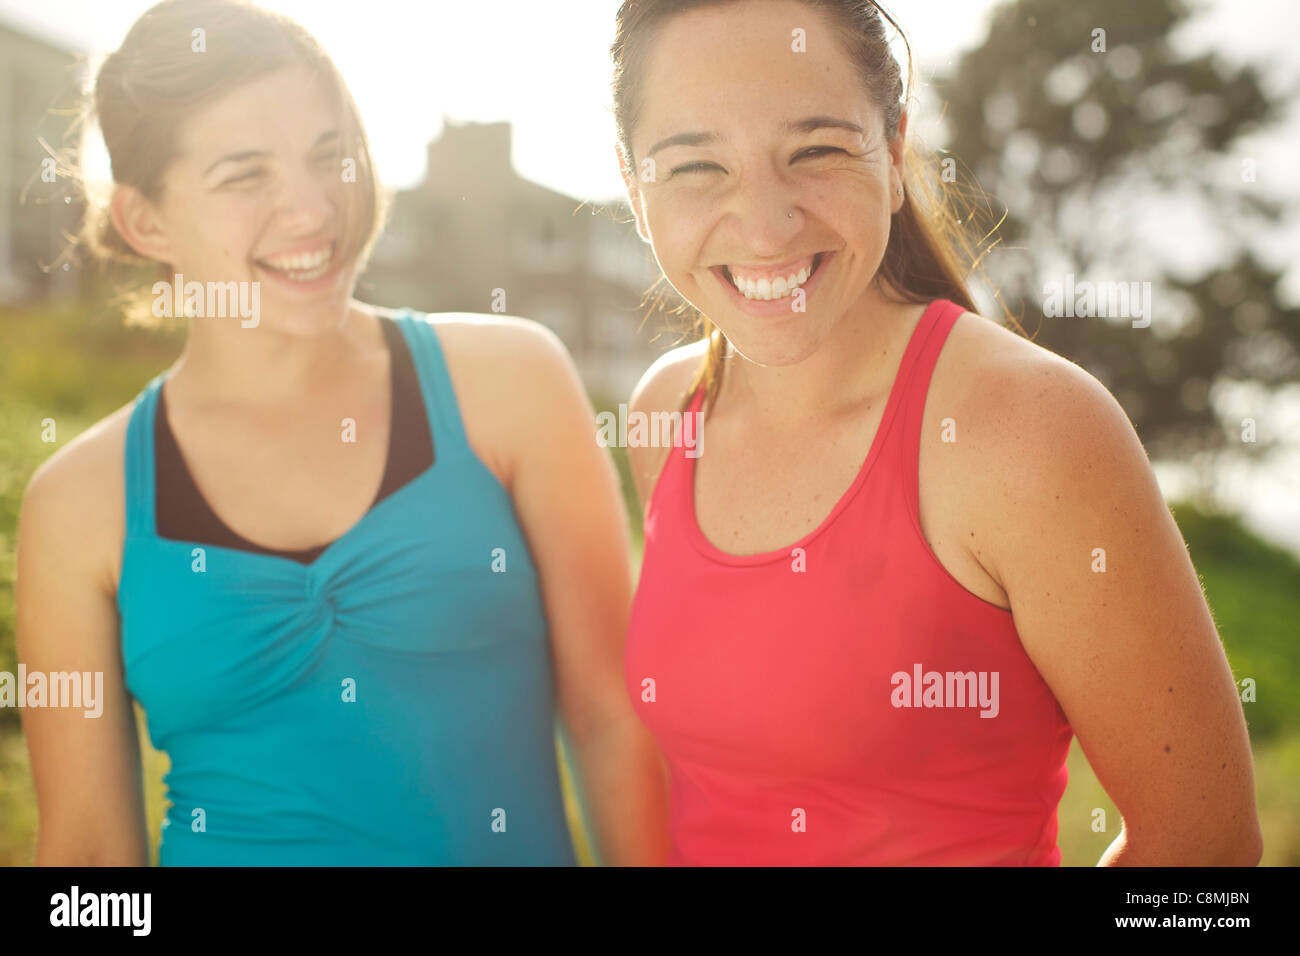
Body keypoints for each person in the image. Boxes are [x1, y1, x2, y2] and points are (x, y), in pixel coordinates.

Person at [17, 0, 669, 865]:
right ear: (146, 220)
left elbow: (613, 719)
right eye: (245, 175)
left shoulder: (512, 383)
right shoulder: (78, 501)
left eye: (334, 155)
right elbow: (89, 855)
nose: (312, 210)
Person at [612, 0, 1261, 865]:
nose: (766, 225)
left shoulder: (1029, 431)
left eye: (816, 151)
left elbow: (1206, 852)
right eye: (697, 166)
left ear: (891, 152)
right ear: (632, 186)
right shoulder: (665, 418)